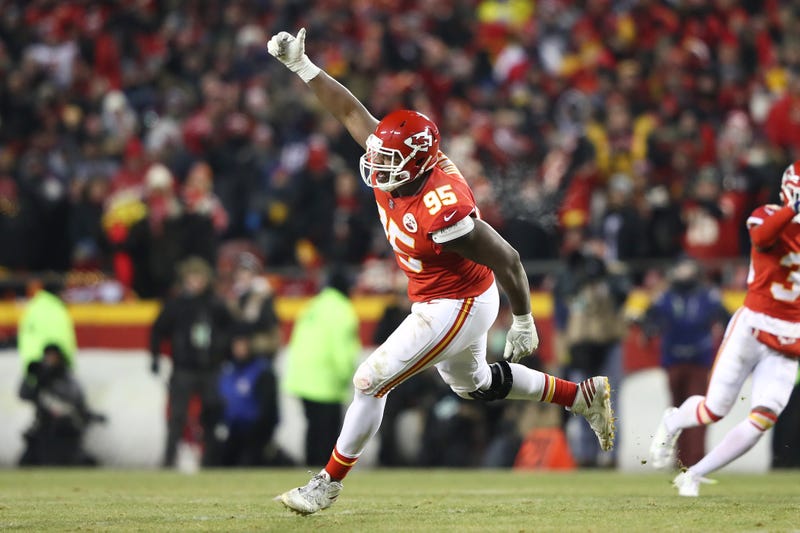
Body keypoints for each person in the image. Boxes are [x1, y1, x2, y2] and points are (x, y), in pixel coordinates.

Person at [267, 28, 614, 515]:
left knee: (370, 380)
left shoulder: (443, 208)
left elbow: (509, 258)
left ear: (415, 162)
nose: (377, 166)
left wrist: (522, 319)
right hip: (440, 295)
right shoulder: (402, 160)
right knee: (471, 385)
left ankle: (326, 484)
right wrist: (302, 67)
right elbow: (349, 111)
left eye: (389, 160)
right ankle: (583, 397)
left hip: (458, 301)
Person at [649, 161, 800, 496]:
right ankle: (673, 420)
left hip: (790, 339)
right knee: (713, 409)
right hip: (754, 326)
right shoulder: (768, 214)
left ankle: (694, 474)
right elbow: (761, 235)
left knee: (762, 420)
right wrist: (792, 209)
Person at [642, 259, 730, 467]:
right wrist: (649, 329)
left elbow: (726, 318)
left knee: (697, 410)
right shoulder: (665, 295)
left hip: (699, 359)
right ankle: (680, 459)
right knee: (677, 410)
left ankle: (696, 459)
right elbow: (649, 317)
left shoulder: (708, 295)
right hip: (673, 359)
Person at [150, 256, 233, 467]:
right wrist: (155, 357)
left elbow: (230, 330)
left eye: (199, 277)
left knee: (211, 416)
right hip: (184, 368)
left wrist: (223, 353)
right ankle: (169, 461)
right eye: (191, 277)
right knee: (177, 417)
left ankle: (211, 462)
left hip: (210, 369)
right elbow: (158, 330)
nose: (195, 282)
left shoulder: (216, 304)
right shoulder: (176, 305)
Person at [281, 267, 362, 466]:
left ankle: (309, 474)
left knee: (313, 430)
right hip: (325, 381)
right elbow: (342, 350)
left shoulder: (313, 305)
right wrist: (349, 377)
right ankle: (324, 479)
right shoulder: (342, 310)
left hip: (301, 379)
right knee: (328, 435)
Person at [19, 344, 106, 466]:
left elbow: (76, 403)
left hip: (65, 434)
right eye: (47, 357)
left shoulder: (68, 379)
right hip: (44, 432)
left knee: (79, 462)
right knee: (27, 462)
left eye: (53, 357)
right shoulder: (39, 379)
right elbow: (23, 395)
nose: (49, 361)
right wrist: (30, 378)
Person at [211, 324, 280, 467]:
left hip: (255, 434)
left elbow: (269, 411)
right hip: (231, 432)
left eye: (243, 344)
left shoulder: (262, 371)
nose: (239, 348)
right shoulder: (226, 371)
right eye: (237, 344)